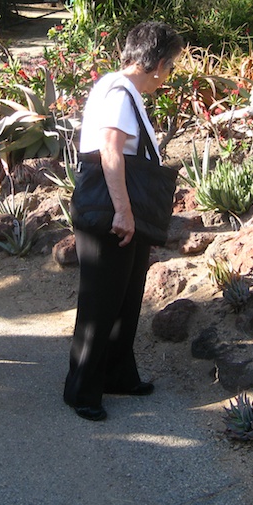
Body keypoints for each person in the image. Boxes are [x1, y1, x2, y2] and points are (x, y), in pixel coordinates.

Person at [63, 21, 185, 421]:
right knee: (101, 303)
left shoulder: (123, 91)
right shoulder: (119, 94)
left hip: (117, 210)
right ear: (157, 64)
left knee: (126, 298)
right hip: (111, 213)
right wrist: (124, 211)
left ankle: (117, 374)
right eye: (170, 68)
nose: (167, 77)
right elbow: (111, 153)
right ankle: (81, 390)